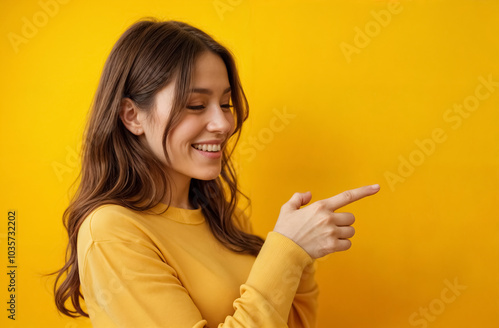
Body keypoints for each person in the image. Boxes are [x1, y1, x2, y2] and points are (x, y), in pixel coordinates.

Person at [53, 18, 380, 327]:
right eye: (196, 105)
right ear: (132, 116)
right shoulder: (111, 231)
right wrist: (286, 251)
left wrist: (300, 254)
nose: (223, 124)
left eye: (225, 104)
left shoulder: (222, 219)